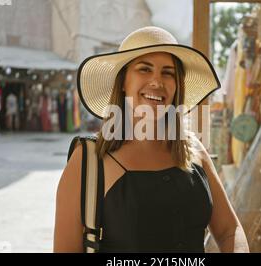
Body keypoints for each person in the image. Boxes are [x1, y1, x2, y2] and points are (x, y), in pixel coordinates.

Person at [53, 26, 249, 253]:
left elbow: (229, 231)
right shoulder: (87, 161)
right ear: (123, 82)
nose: (157, 81)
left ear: (177, 87)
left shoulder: (194, 151)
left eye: (168, 73)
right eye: (144, 69)